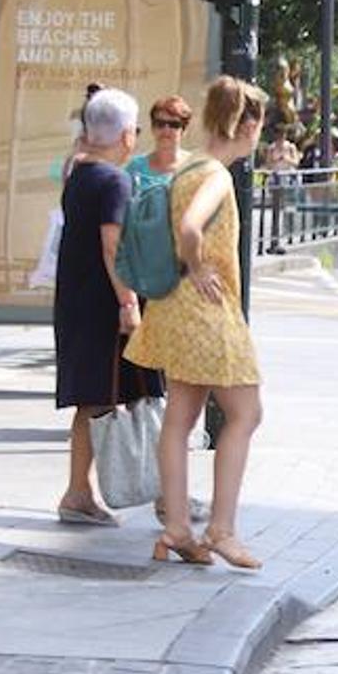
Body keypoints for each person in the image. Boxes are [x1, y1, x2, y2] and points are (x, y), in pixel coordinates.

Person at [125, 76, 268, 569]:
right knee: (246, 413)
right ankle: (222, 529)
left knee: (179, 418)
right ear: (247, 125)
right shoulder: (216, 176)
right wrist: (199, 265)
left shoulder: (188, 169)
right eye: (260, 126)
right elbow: (189, 228)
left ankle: (177, 528)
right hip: (207, 308)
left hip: (172, 308)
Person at [53, 89, 163, 526]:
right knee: (105, 396)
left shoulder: (78, 173)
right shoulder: (114, 180)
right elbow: (111, 243)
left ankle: (78, 490)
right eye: (134, 129)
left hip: (77, 300)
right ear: (125, 135)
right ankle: (92, 492)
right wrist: (128, 301)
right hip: (105, 305)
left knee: (92, 398)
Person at [128, 96, 194, 193]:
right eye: (160, 123)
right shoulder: (135, 167)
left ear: (184, 130)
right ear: (152, 128)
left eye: (174, 125)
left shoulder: (194, 166)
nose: (166, 130)